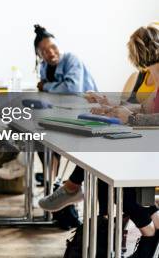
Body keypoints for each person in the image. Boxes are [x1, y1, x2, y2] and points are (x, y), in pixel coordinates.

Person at [40, 25, 159, 257]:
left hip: (151, 153)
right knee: (102, 170)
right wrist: (112, 107)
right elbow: (147, 107)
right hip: (146, 146)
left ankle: (147, 233)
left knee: (109, 174)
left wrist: (132, 116)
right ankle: (145, 231)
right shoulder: (154, 75)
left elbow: (147, 114)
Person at [0, 24, 99, 181]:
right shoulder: (44, 66)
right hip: (62, 111)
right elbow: (47, 92)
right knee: (32, 126)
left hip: (84, 113)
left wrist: (46, 86)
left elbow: (71, 88)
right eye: (44, 50)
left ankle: (30, 166)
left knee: (41, 131)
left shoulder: (71, 59)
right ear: (39, 54)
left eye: (53, 47)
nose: (50, 52)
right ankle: (48, 179)